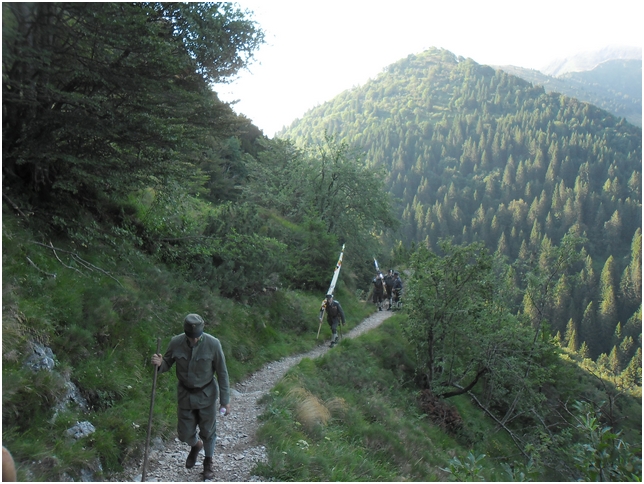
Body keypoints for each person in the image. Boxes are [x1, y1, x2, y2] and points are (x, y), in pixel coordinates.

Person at [151, 314, 230, 481]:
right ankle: (196, 445)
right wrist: (159, 364)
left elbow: (222, 373)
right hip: (185, 395)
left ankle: (208, 463)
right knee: (184, 434)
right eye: (191, 337)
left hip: (207, 394)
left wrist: (225, 401)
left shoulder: (213, 344)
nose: (194, 340)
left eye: (197, 337)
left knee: (208, 431)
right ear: (185, 333)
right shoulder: (176, 342)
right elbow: (167, 364)